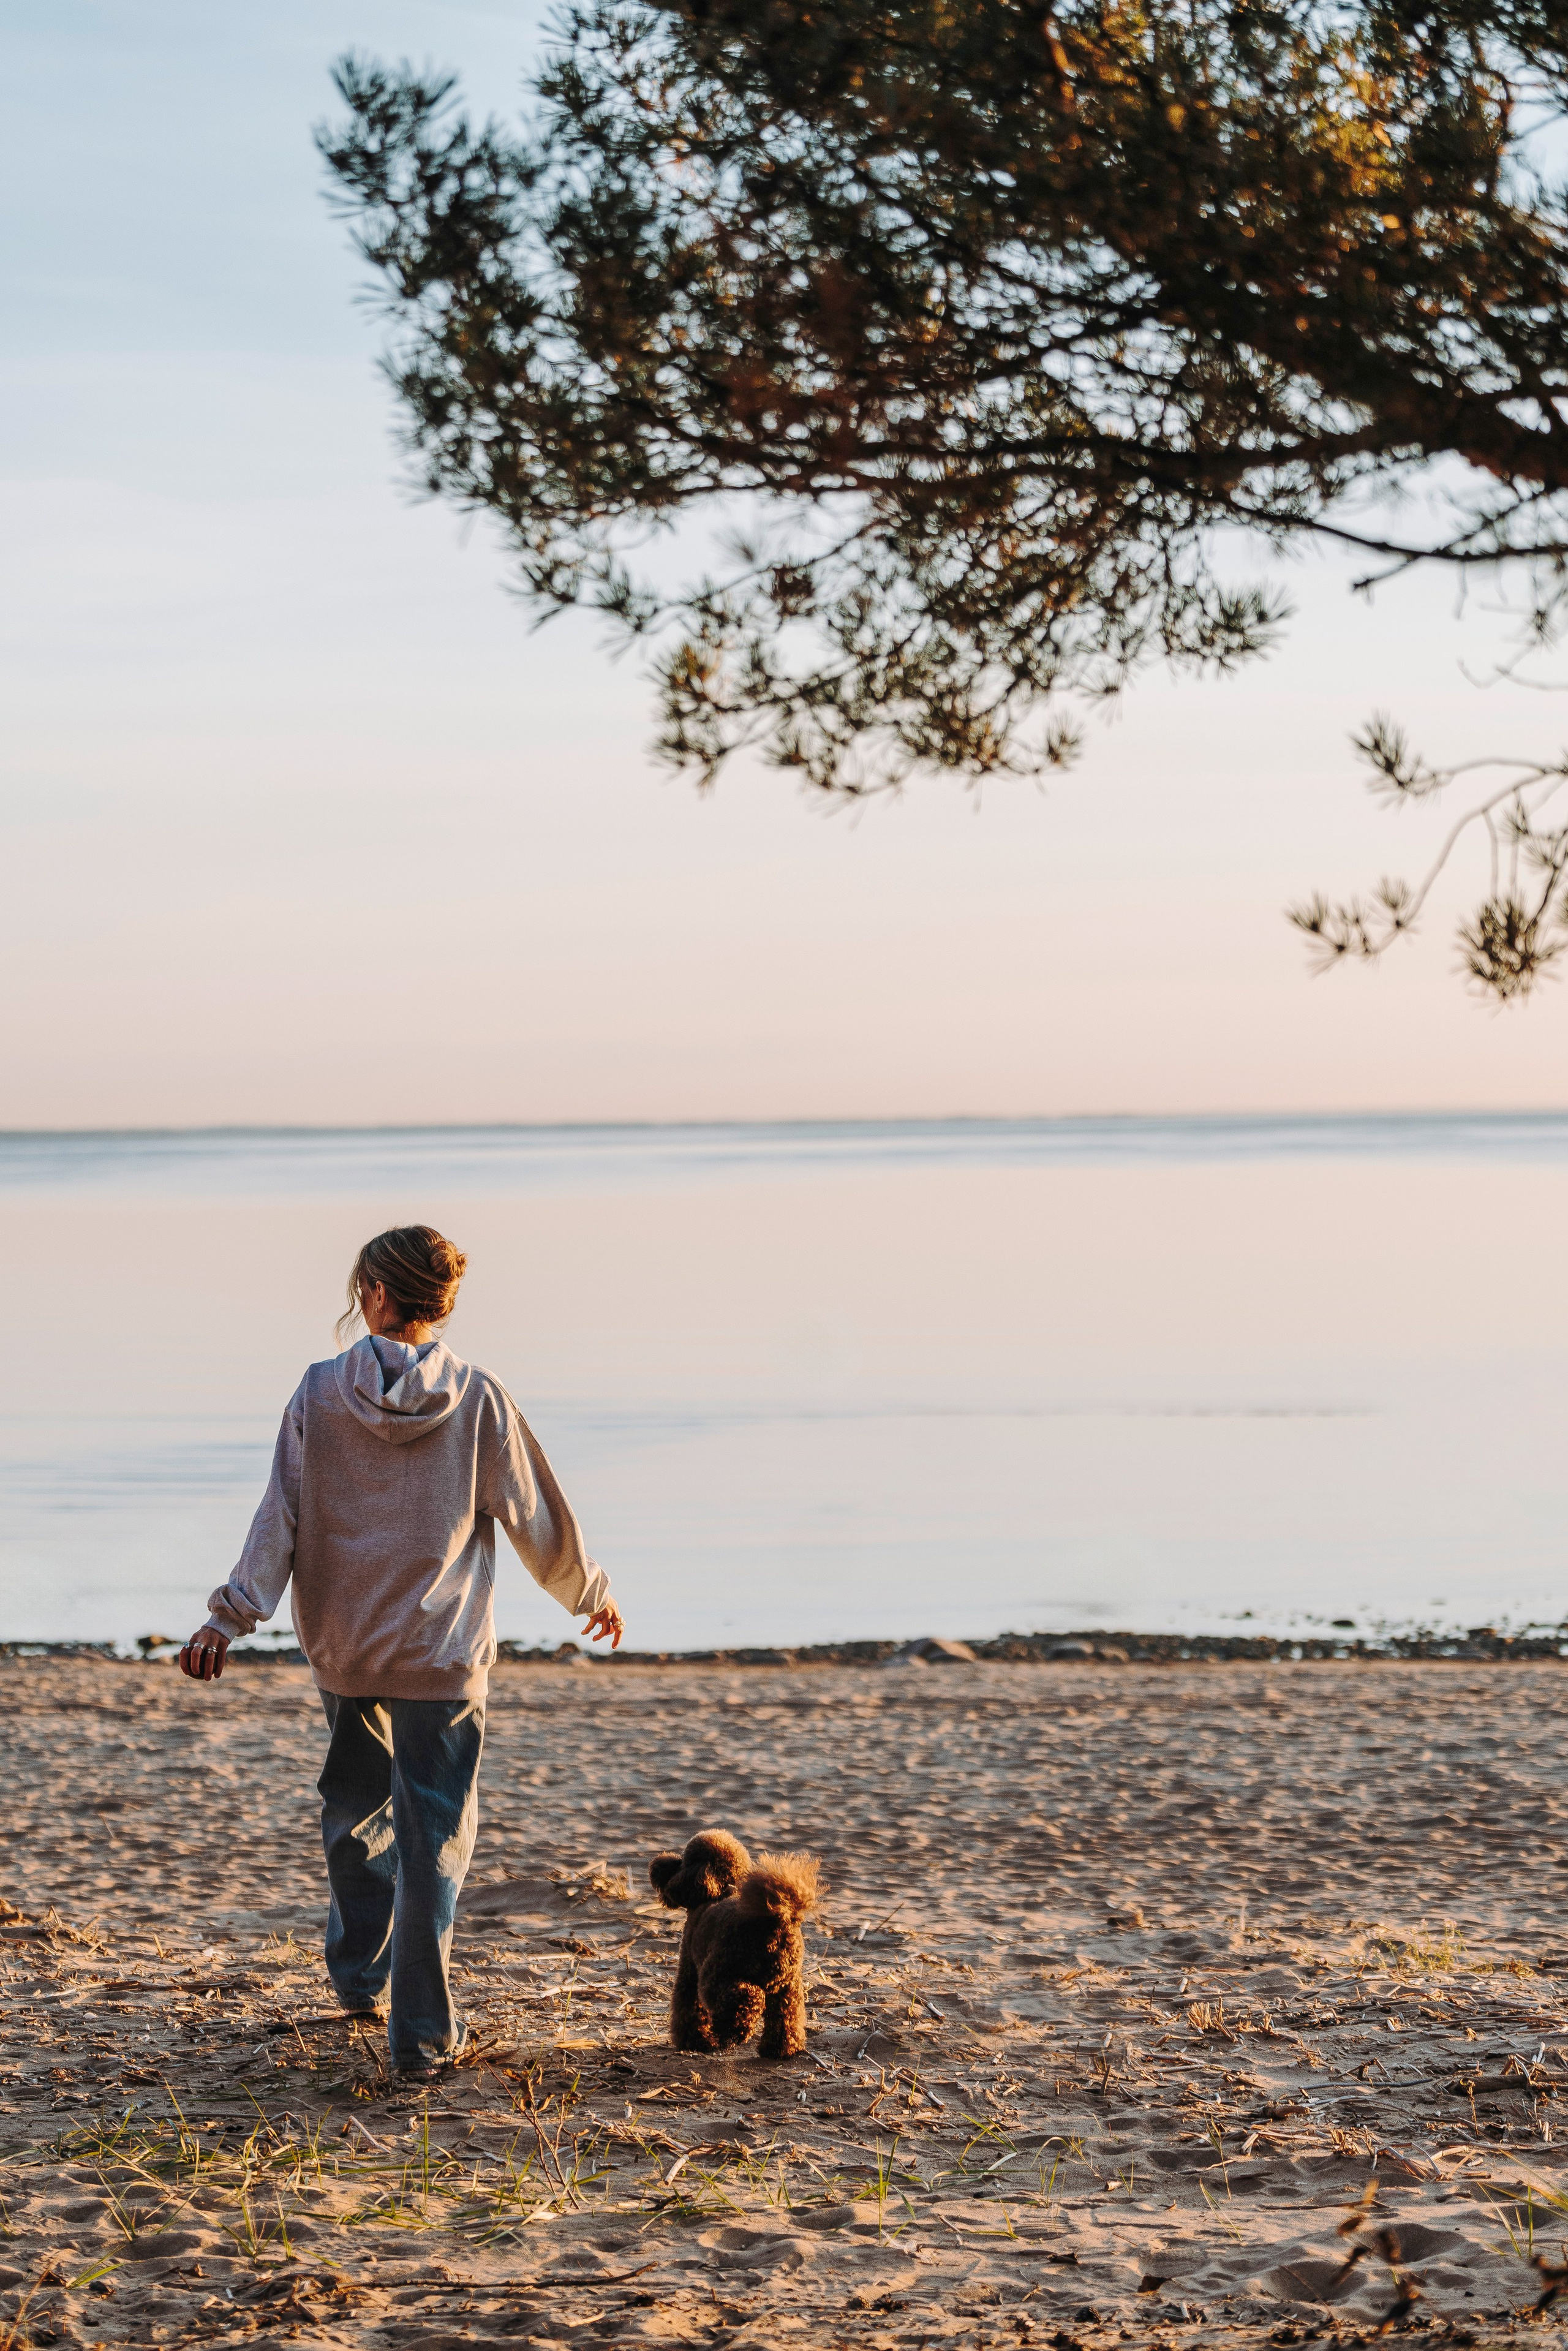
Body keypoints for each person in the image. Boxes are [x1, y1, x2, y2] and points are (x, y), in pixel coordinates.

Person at [180, 1224, 623, 2078]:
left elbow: (280, 1521)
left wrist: (227, 1619)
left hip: (346, 1648)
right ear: (439, 1303)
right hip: (444, 1652)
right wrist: (588, 1592)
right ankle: (420, 2036)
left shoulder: (317, 1391)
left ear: (378, 1296)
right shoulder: (481, 1398)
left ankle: (359, 1975)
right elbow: (537, 1519)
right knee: (435, 1839)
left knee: (355, 1810)